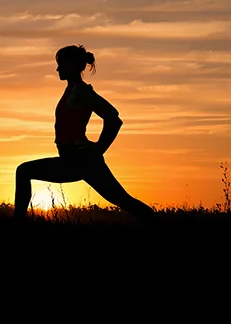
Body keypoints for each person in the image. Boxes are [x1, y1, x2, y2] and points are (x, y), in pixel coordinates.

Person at [14, 45, 155, 222]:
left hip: (80, 159)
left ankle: (17, 225)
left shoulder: (81, 91)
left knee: (24, 171)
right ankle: (160, 225)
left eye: (61, 64)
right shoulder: (72, 89)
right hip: (75, 159)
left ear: (72, 65)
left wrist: (99, 148)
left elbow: (114, 118)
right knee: (124, 201)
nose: (57, 69)